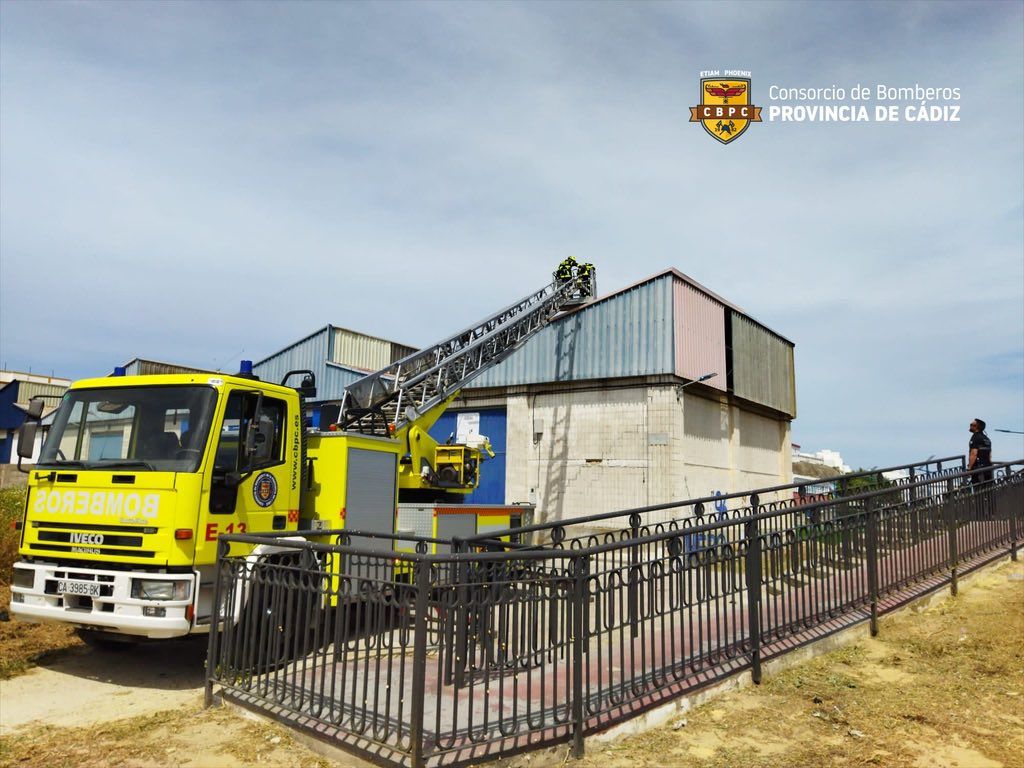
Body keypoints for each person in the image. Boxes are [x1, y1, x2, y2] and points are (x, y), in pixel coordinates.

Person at [968, 418, 992, 486]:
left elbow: (973, 453)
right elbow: (990, 455)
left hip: (978, 468)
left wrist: (969, 467)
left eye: (972, 425)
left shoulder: (975, 437)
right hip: (988, 467)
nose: (970, 426)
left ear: (977, 427)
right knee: (988, 487)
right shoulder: (987, 439)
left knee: (978, 489)